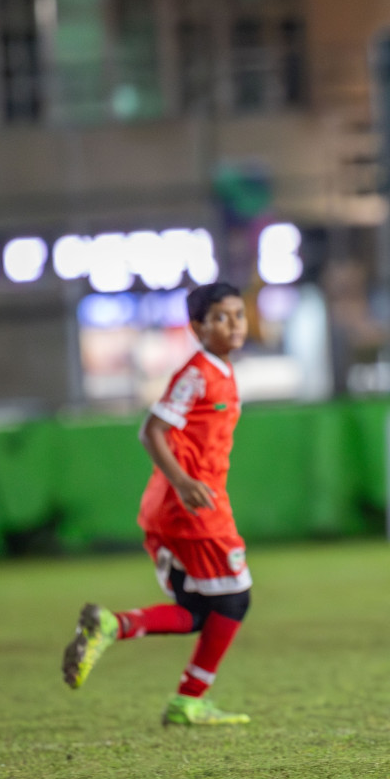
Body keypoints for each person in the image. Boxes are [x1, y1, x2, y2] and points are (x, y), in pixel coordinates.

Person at [61, 282, 254, 726]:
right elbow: (151, 430)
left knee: (198, 610)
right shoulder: (197, 373)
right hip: (193, 509)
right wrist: (184, 482)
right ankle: (187, 700)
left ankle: (113, 625)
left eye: (238, 315)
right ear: (197, 327)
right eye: (221, 318)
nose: (234, 325)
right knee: (235, 600)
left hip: (178, 506)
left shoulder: (220, 369)